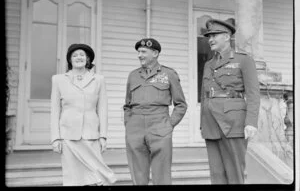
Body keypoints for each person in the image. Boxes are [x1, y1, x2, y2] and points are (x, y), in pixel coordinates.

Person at [200, 19, 260, 184]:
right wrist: (202, 122)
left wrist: (251, 122)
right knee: (217, 175)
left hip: (234, 123)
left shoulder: (243, 60)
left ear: (227, 36)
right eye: (208, 36)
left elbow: (253, 94)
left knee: (234, 173)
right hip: (211, 123)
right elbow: (205, 96)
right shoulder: (208, 64)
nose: (210, 39)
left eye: (214, 35)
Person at [50, 43, 117, 186]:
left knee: (97, 177)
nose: (78, 57)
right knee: (73, 179)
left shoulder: (98, 80)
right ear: (69, 60)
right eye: (74, 55)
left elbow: (102, 110)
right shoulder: (58, 80)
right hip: (68, 137)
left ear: (87, 59)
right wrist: (55, 138)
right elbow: (55, 111)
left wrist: (103, 136)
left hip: (91, 136)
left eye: (82, 55)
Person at [123, 38, 188, 185]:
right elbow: (127, 105)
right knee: (138, 175)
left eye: (143, 52)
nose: (139, 55)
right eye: (138, 52)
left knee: (162, 176)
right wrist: (129, 124)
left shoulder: (169, 74)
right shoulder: (133, 75)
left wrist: (169, 125)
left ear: (155, 53)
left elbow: (181, 104)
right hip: (135, 127)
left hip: (160, 125)